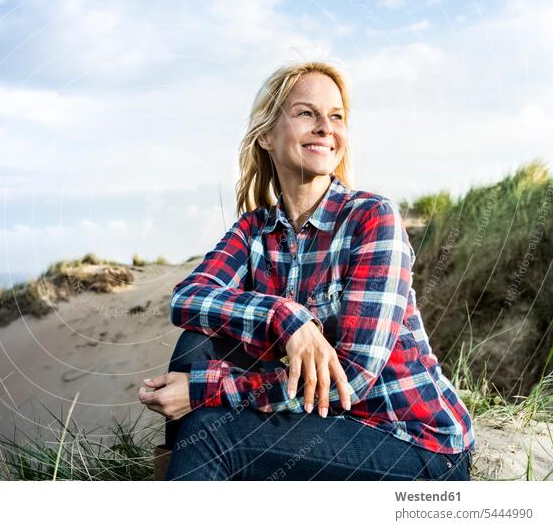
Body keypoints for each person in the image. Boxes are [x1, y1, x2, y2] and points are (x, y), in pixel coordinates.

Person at [137, 61, 476, 481]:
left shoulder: (372, 218)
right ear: (265, 135)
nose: (324, 127)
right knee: (198, 343)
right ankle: (182, 476)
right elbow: (188, 299)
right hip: (322, 428)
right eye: (305, 113)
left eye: (336, 116)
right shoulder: (254, 230)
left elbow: (352, 378)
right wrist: (284, 317)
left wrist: (205, 391)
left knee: (211, 432)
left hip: (412, 442)